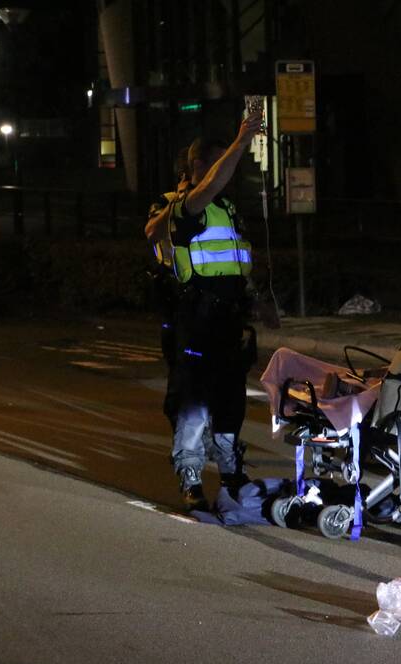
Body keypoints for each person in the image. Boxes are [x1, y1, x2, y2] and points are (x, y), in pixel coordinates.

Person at [147, 112, 261, 510]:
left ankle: (231, 474)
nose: (227, 172)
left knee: (231, 399)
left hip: (229, 317)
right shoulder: (184, 206)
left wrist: (259, 301)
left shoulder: (226, 208)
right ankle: (191, 477)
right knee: (193, 400)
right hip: (196, 317)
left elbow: (236, 260)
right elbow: (210, 184)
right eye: (219, 162)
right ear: (198, 166)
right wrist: (242, 139)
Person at [145, 146, 192, 431]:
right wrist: (180, 202)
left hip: (214, 299)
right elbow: (153, 231)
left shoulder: (220, 204)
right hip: (177, 298)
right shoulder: (166, 202)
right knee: (180, 365)